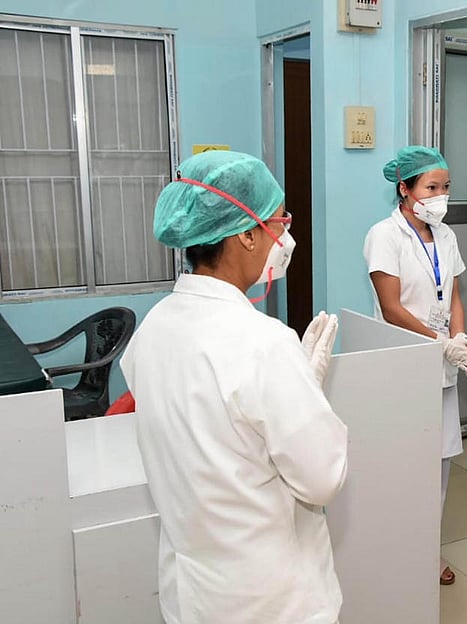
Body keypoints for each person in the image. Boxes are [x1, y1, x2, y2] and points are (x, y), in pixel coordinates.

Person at [120, 150, 348, 624]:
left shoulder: (153, 329)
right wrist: (306, 390)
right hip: (270, 598)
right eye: (277, 222)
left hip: (194, 593)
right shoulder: (265, 344)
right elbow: (321, 479)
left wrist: (291, 388)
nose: (285, 237)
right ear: (245, 234)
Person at [363, 145, 467, 586]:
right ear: (405, 189)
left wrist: (457, 339)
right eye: (431, 187)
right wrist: (441, 342)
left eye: (446, 187)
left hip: (442, 362)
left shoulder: (447, 236)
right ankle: (393, 546)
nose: (441, 195)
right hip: (403, 360)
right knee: (404, 460)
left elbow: (453, 295)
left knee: (439, 462)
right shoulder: (385, 234)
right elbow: (391, 306)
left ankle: (427, 550)